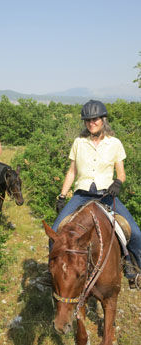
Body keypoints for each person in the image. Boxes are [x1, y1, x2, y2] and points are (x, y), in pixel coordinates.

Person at [53, 99, 141, 288]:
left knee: (135, 232)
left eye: (95, 119)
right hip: (81, 195)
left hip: (106, 194)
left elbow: (122, 173)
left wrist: (118, 182)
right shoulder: (78, 142)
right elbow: (72, 172)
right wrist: (62, 195)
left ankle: (136, 271)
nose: (91, 123)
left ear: (103, 120)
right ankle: (54, 272)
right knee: (55, 231)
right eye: (88, 120)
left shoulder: (115, 143)